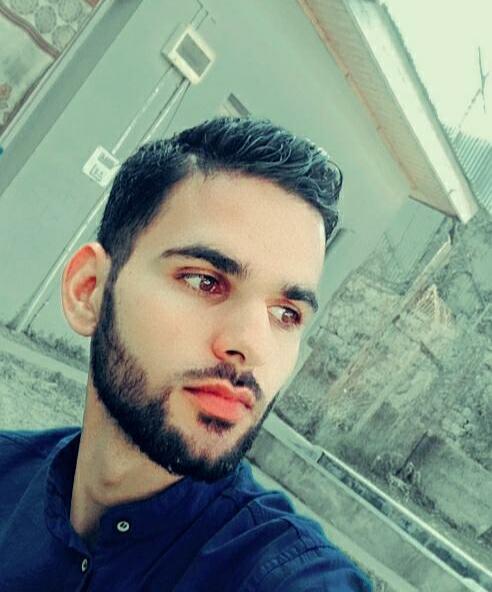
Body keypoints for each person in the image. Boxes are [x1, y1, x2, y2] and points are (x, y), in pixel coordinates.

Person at [0, 117, 372, 591]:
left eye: (286, 314)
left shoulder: (287, 576)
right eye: (204, 281)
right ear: (88, 290)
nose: (253, 345)